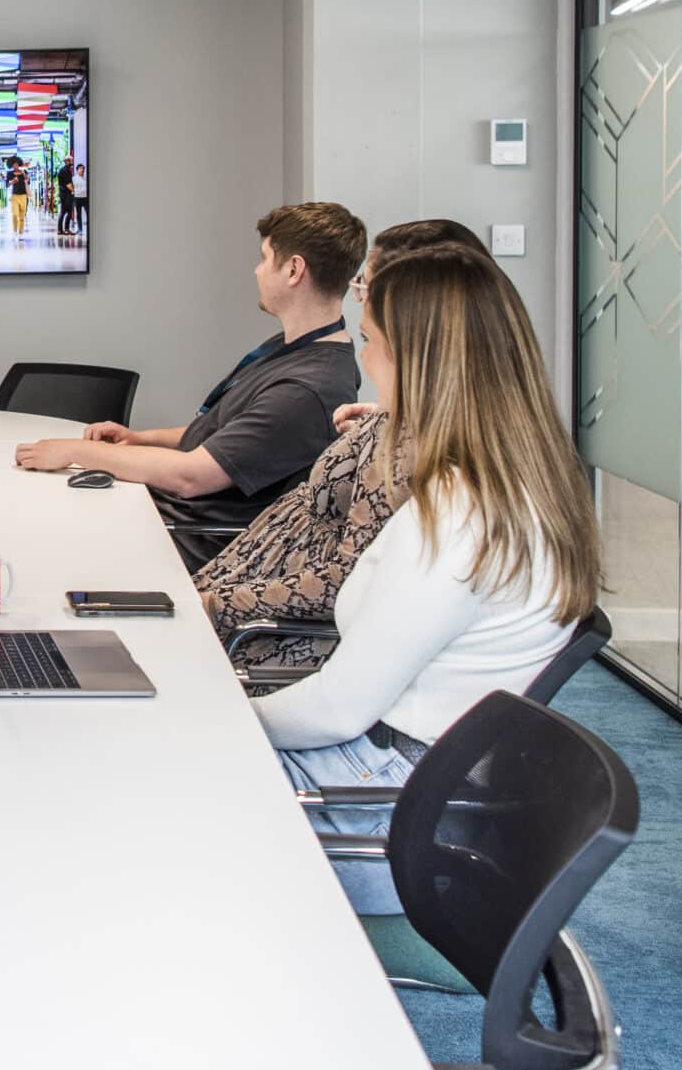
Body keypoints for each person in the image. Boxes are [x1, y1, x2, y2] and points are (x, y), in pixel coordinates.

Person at [254, 242, 602, 906]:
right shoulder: (531, 484)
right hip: (429, 791)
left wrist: (220, 716)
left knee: (161, 779)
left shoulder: (459, 514)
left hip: (381, 810)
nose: (364, 357)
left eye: (371, 339)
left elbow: (338, 705)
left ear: (418, 361)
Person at [194, 221, 490, 666]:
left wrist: (218, 604)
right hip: (238, 591)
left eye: (368, 283)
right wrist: (382, 419)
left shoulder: (398, 442)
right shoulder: (411, 420)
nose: (359, 294)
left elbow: (347, 578)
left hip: (252, 626)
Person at [14, 202, 366, 559]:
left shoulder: (306, 389)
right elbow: (225, 432)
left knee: (32, 535)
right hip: (166, 513)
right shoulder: (294, 349)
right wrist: (139, 439)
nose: (256, 271)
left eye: (264, 258)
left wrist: (79, 452)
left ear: (293, 269)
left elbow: (192, 476)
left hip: (186, 539)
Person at [6, 157, 32, 238]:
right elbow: (7, 184)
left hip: (23, 195)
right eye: (14, 163)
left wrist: (25, 177)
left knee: (22, 215)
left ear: (19, 164)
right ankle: (14, 230)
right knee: (14, 214)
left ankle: (21, 233)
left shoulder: (24, 172)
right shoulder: (9, 173)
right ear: (12, 165)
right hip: (14, 195)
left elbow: (28, 182)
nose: (15, 165)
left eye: (17, 163)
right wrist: (13, 181)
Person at [65, 162, 89, 236]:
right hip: (77, 198)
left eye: (83, 169)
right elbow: (70, 187)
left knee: (88, 213)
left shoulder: (86, 178)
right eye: (81, 168)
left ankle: (89, 228)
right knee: (78, 214)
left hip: (85, 198)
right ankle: (80, 229)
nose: (83, 170)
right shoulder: (74, 179)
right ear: (77, 170)